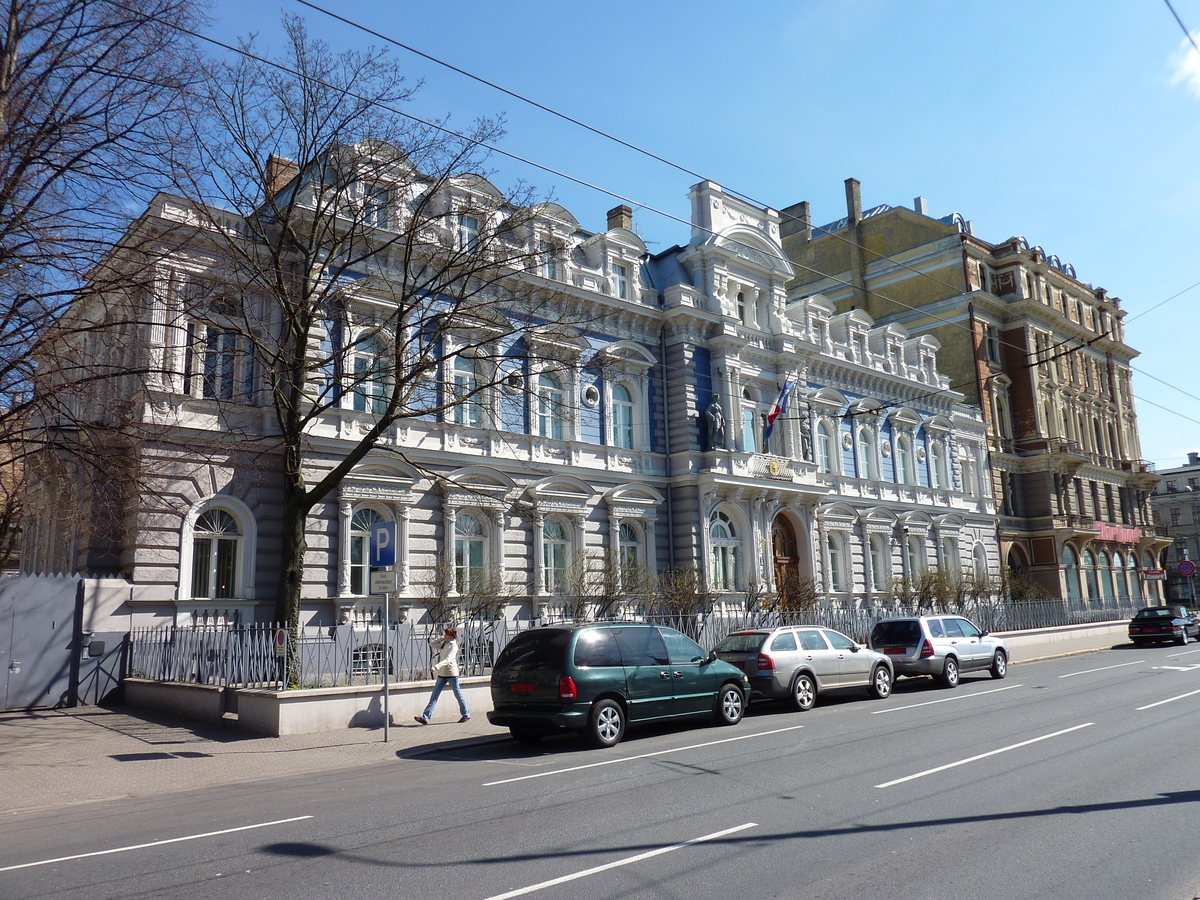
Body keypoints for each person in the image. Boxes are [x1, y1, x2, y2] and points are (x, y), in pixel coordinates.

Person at [414, 625, 470, 724]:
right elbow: (432, 643)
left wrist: (436, 667)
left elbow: (449, 659)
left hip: (451, 674)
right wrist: (441, 638)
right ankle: (425, 718)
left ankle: (466, 714)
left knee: (458, 695)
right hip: (442, 674)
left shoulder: (453, 645)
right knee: (434, 696)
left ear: (451, 636)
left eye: (446, 634)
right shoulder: (445, 643)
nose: (445, 635)